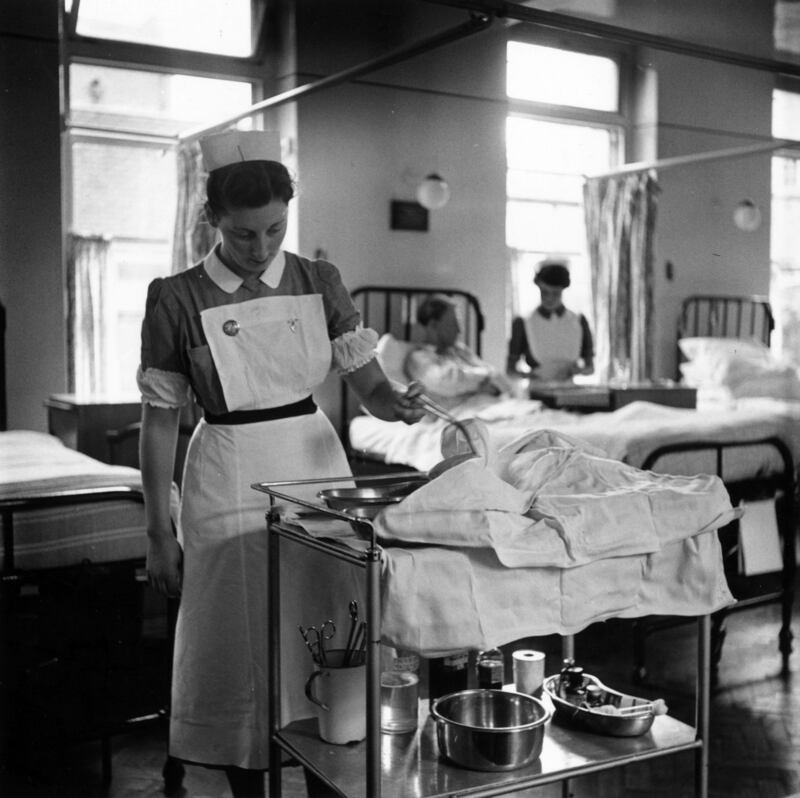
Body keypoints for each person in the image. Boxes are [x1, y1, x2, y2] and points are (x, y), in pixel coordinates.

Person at [137, 129, 424, 798]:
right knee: (238, 642)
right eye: (244, 235)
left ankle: (330, 772)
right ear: (211, 220)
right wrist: (158, 530)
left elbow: (370, 386)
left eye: (274, 229)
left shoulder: (317, 280)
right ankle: (246, 779)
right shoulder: (176, 298)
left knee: (326, 623)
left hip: (314, 463)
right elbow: (158, 424)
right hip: (226, 471)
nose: (261, 247)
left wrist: (397, 405)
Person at [404, 294, 512, 409]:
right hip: (464, 414)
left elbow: (498, 376)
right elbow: (447, 382)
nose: (459, 330)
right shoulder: (419, 358)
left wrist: (475, 380)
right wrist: (482, 383)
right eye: (453, 324)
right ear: (433, 325)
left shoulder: (460, 350)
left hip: (494, 407)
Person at [506, 258, 594, 382]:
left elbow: (590, 367)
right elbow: (510, 370)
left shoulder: (578, 321)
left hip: (569, 392)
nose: (549, 298)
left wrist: (578, 370)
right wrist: (530, 375)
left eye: (555, 293)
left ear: (562, 291)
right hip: (537, 391)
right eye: (545, 292)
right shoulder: (523, 323)